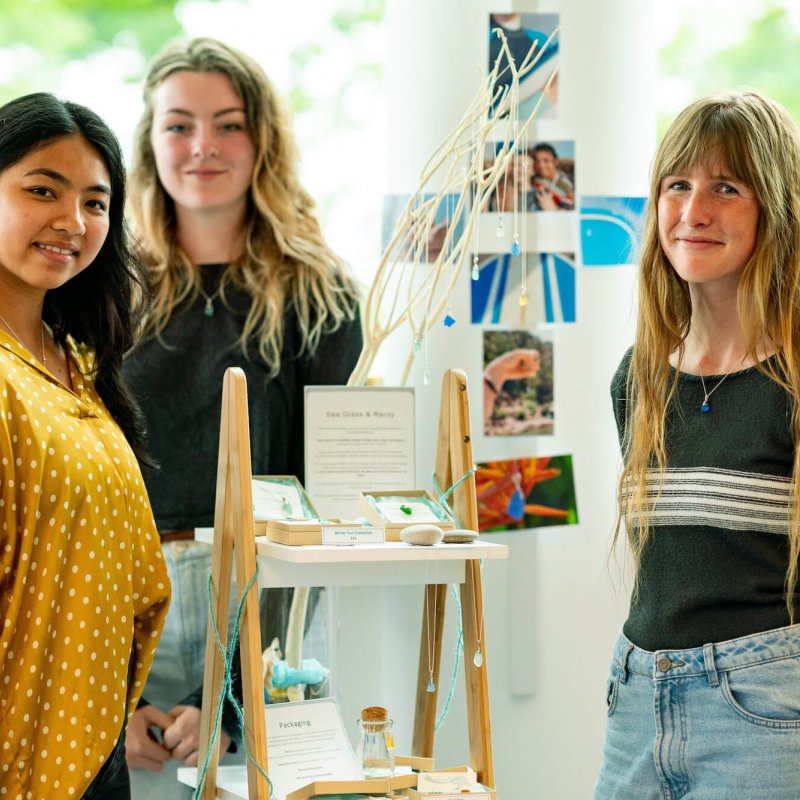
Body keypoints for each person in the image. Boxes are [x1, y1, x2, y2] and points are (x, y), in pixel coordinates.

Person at [122, 38, 363, 794]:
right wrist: (113, 697)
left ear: (263, 141)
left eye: (228, 124)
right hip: (130, 604)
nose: (203, 147)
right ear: (150, 144)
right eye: (179, 125)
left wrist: (231, 691)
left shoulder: (321, 297)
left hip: (270, 603)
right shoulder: (104, 294)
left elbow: (319, 506)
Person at [595, 91, 800, 799]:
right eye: (677, 184)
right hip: (635, 698)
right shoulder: (639, 377)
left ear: (776, 208)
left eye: (726, 187)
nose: (694, 211)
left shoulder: (794, 381)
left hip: (765, 707)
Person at [0, 93, 170, 798]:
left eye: (96, 203)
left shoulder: (78, 363)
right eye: (42, 189)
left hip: (95, 746)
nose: (72, 221)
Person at [530, 142, 574, 211]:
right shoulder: (533, 179)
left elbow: (567, 213)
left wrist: (552, 209)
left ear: (555, 162)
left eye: (546, 161)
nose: (541, 165)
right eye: (537, 161)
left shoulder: (566, 186)